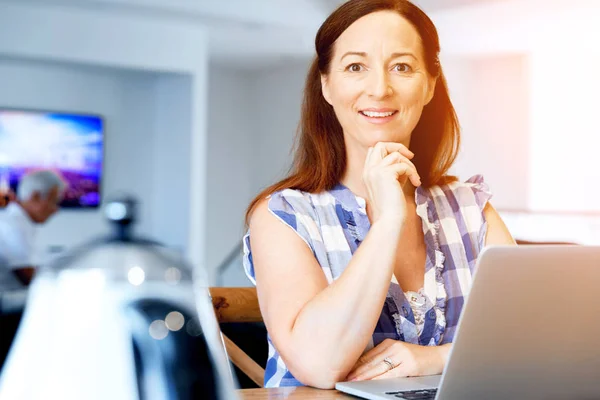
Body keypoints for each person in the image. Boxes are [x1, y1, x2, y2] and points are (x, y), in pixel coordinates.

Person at [242, 0, 515, 389]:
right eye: (356, 67)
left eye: (401, 67)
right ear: (327, 85)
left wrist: (435, 359)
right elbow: (319, 365)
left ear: (429, 85)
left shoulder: (471, 209)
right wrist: (388, 221)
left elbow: (532, 342)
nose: (380, 89)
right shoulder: (283, 216)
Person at [0, 170, 66, 290]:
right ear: (35, 196)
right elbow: (30, 278)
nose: (56, 210)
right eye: (54, 201)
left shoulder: (17, 221)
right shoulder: (13, 225)